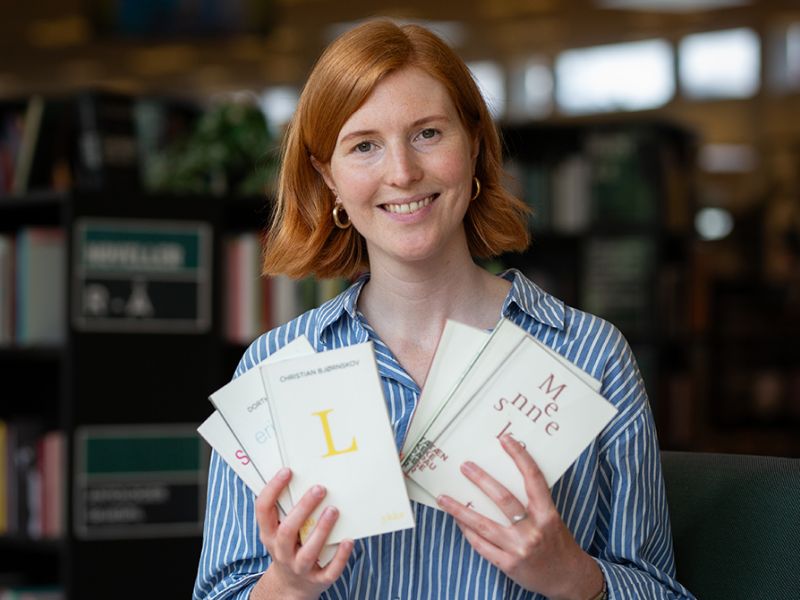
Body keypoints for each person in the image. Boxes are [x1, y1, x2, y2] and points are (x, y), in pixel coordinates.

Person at [193, 19, 694, 600]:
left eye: (428, 133)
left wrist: (574, 578)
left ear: (475, 144)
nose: (402, 172)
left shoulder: (592, 355)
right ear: (328, 176)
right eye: (364, 146)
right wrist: (286, 585)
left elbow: (663, 590)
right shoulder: (275, 368)